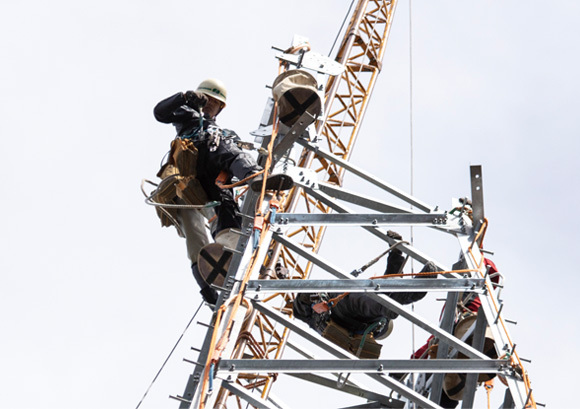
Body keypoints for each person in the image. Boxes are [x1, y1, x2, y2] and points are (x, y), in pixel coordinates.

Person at [153, 79, 291, 304]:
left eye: (215, 103)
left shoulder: (225, 131)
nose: (209, 105)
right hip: (195, 164)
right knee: (193, 226)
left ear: (221, 108)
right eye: (207, 100)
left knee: (225, 211)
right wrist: (184, 98)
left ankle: (226, 267)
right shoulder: (189, 116)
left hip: (209, 182)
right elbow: (159, 112)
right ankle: (256, 176)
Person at [293, 231, 439, 350]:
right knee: (366, 299)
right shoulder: (368, 323)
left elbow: (300, 310)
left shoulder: (368, 321)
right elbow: (300, 307)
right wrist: (311, 301)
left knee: (374, 295)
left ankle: (414, 288)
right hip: (348, 315)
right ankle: (416, 288)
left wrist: (396, 252)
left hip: (352, 316)